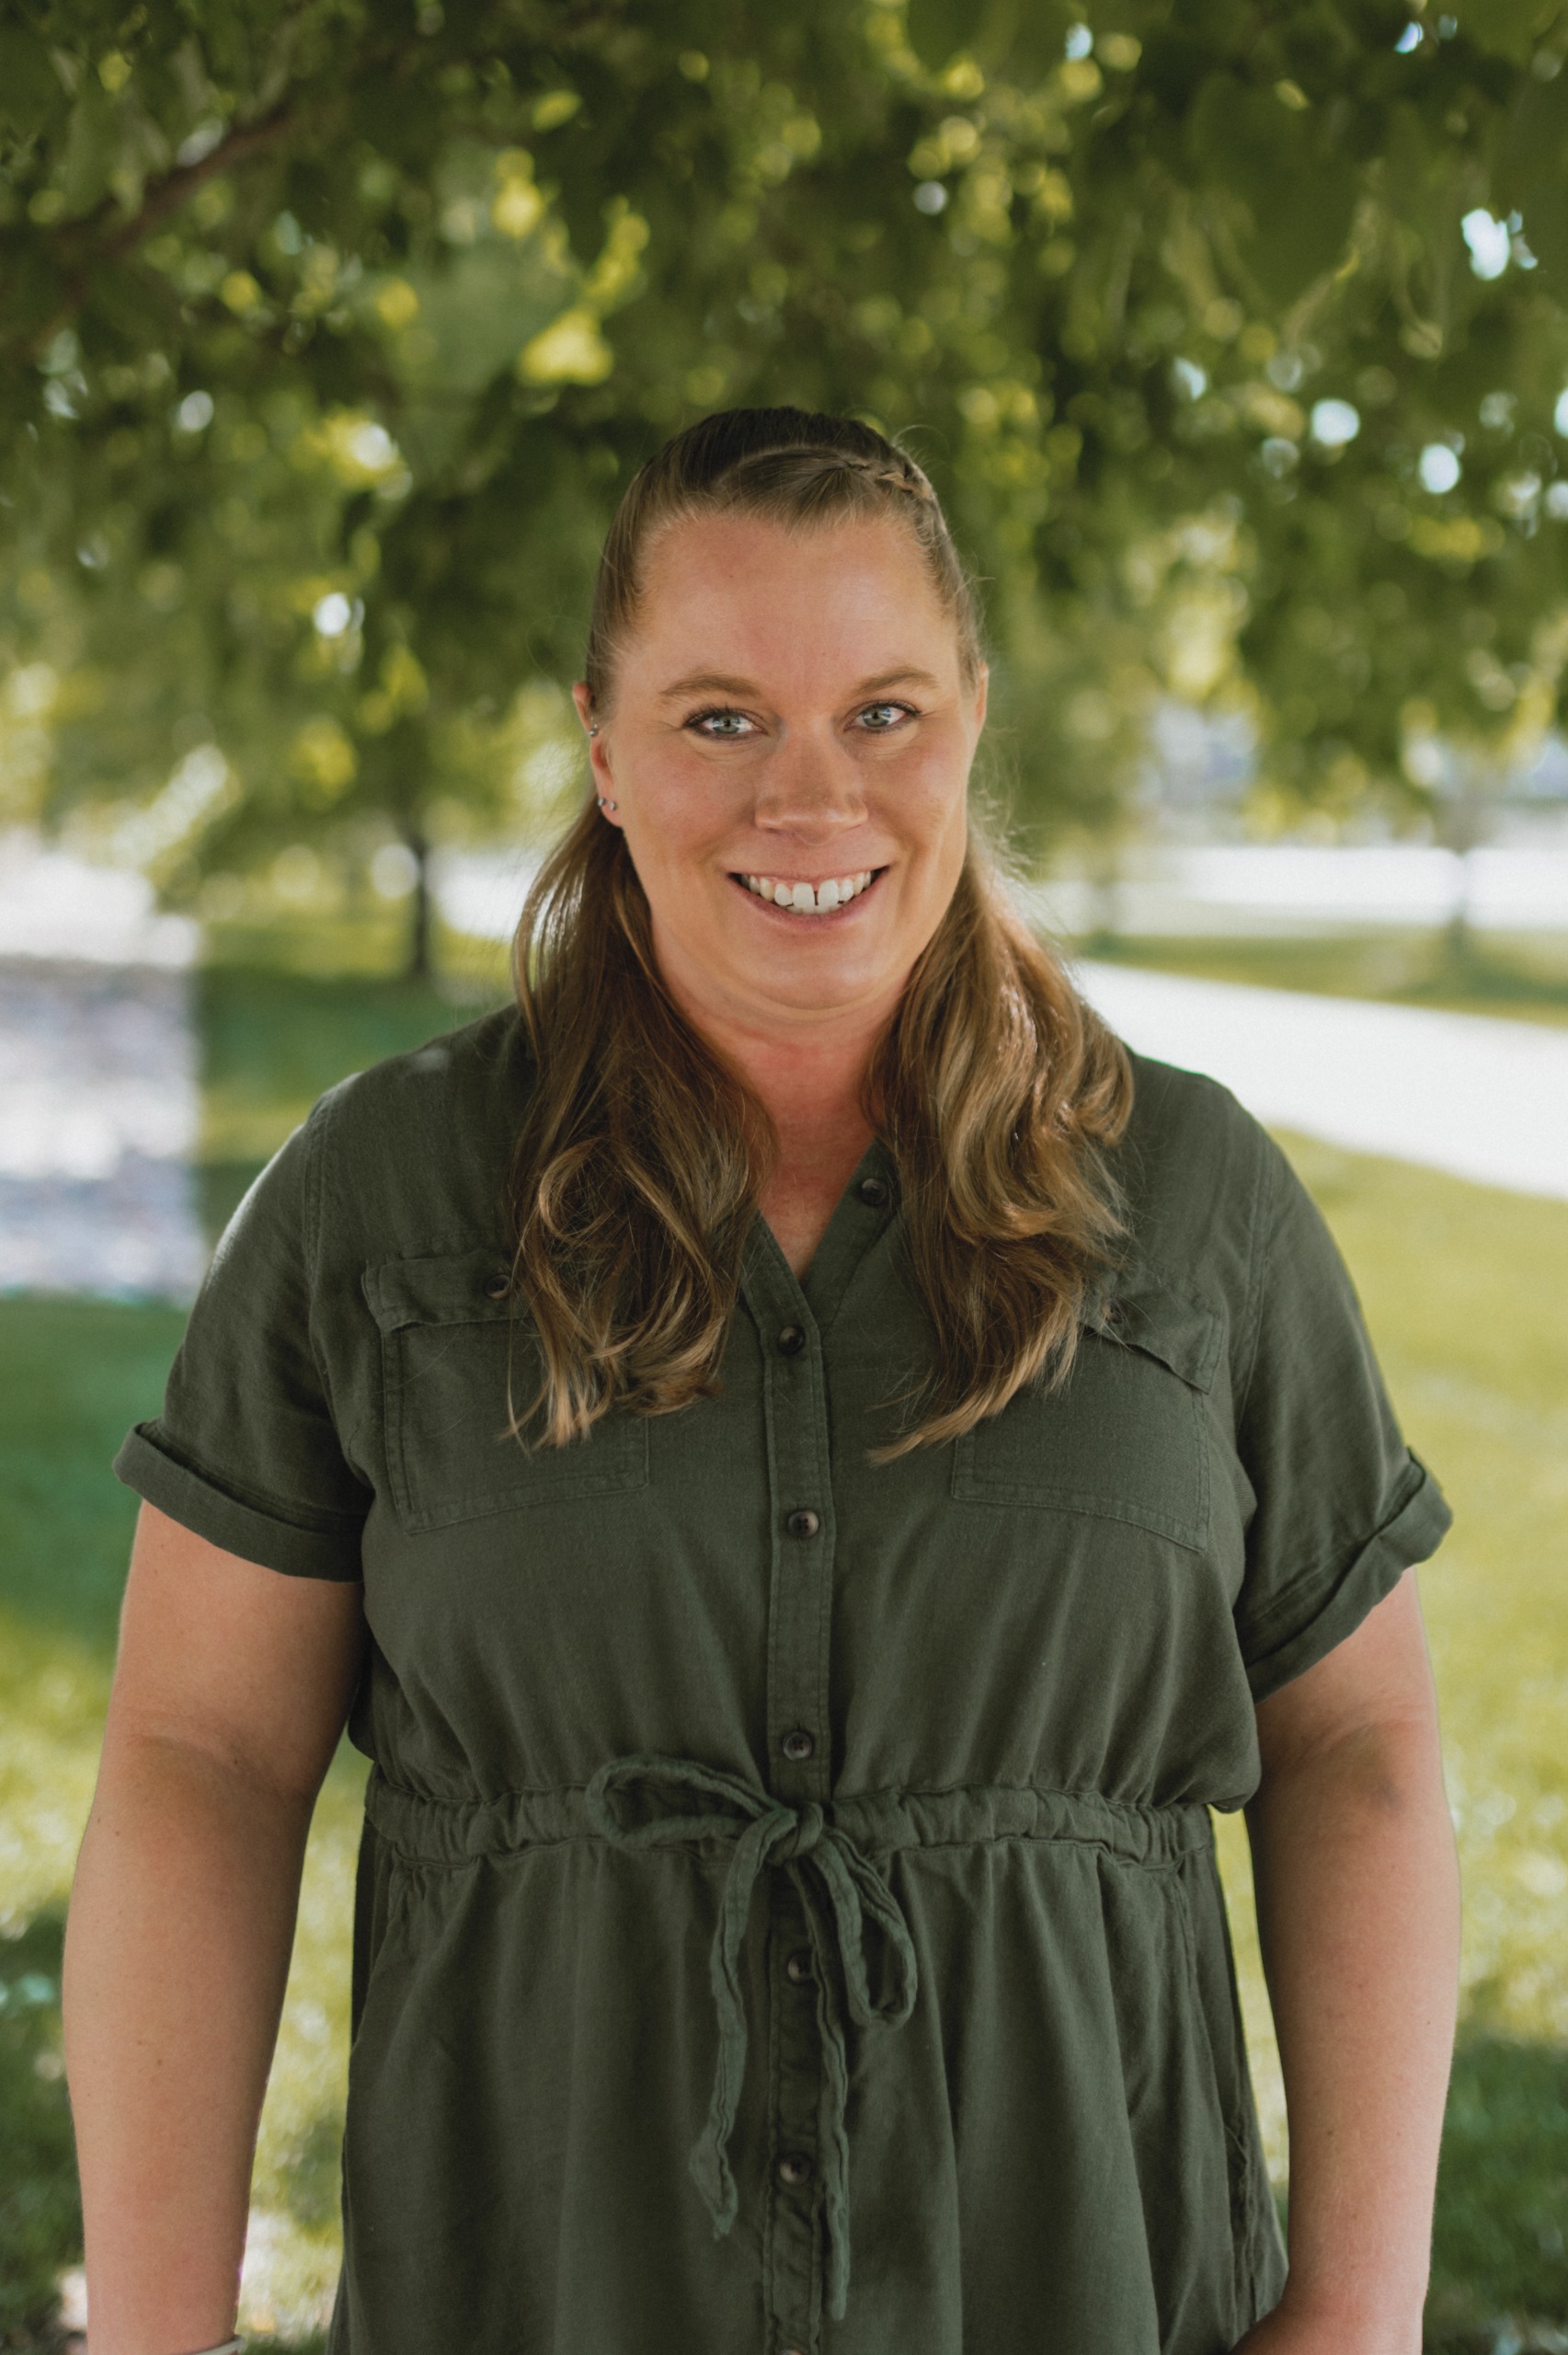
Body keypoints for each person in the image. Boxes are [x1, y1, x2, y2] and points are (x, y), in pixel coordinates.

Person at [63, 406, 1460, 2355]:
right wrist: (152, 2331)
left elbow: (1360, 1752)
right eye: (721, 717)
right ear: (603, 744)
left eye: (881, 711)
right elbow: (198, 1766)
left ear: (970, 716)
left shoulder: (1197, 1200)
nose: (808, 798)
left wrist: (1359, 2306)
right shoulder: (377, 1206)